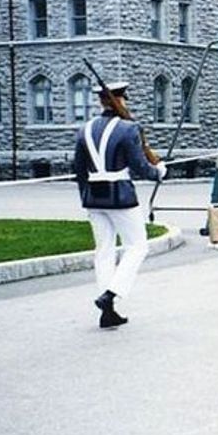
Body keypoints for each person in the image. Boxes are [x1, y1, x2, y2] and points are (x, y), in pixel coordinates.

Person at [73, 81, 167, 329]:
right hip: (121, 197)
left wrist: (86, 196)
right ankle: (111, 294)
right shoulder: (128, 128)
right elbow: (139, 167)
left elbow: (79, 170)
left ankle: (108, 312)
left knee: (103, 252)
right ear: (121, 99)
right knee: (137, 246)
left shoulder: (85, 129)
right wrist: (158, 172)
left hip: (93, 197)